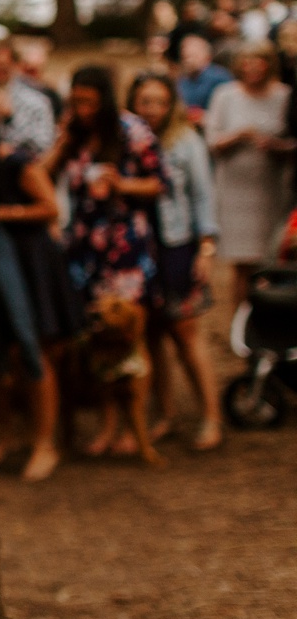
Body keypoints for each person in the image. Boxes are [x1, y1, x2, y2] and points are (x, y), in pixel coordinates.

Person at [0, 104, 81, 483]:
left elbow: (51, 208)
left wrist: (3, 215)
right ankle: (5, 436)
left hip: (30, 265)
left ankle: (45, 442)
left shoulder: (16, 163)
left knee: (37, 350)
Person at [128, 73, 223, 452]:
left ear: (170, 105)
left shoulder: (185, 142)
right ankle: (164, 414)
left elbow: (203, 197)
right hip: (137, 246)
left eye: (157, 101)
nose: (150, 109)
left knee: (184, 334)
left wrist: (206, 247)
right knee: (150, 335)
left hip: (176, 244)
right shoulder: (128, 141)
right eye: (143, 101)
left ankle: (211, 416)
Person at [46, 66, 167, 311]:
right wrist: (63, 143)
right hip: (82, 241)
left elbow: (160, 183)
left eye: (90, 102)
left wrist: (121, 185)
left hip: (124, 242)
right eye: (77, 101)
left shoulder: (131, 130)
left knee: (122, 321)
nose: (83, 110)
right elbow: (43, 173)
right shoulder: (73, 131)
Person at [205, 40, 293, 297]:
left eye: (259, 62)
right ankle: (240, 324)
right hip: (235, 193)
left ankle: (269, 324)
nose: (252, 68)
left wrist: (277, 146)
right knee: (242, 265)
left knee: (273, 261)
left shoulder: (285, 95)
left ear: (269, 65)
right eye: (247, 62)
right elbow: (212, 142)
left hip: (272, 191)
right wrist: (240, 135)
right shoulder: (225, 95)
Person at [0, 29, 57, 158]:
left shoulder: (36, 101)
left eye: (2, 67)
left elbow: (44, 145)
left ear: (14, 64)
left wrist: (9, 118)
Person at [176, 34, 234, 125]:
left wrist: (206, 116)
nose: (189, 61)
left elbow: (231, 109)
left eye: (193, 55)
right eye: (186, 57)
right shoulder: (182, 80)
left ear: (207, 56)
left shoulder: (219, 76)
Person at [13, 36, 63, 119]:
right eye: (27, 69)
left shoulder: (50, 93)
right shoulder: (11, 91)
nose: (30, 77)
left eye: (34, 70)